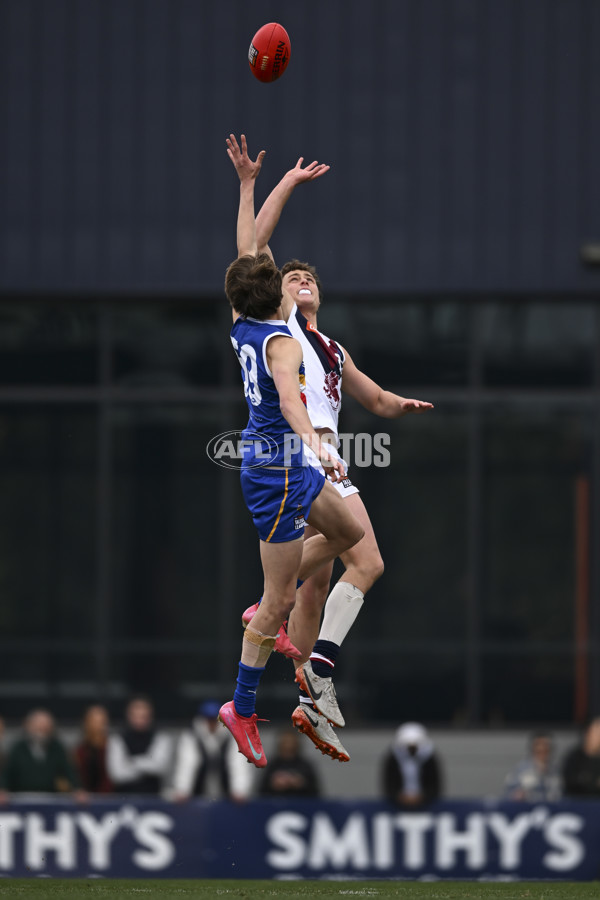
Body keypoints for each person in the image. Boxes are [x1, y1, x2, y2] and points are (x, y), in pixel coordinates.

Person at [241, 154, 433, 761]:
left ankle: (307, 699)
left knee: (315, 584)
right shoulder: (285, 324)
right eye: (290, 277)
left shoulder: (333, 347)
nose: (299, 281)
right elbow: (253, 244)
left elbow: (371, 397)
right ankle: (316, 667)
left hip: (325, 452)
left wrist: (397, 404)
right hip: (304, 452)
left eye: (307, 278)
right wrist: (279, 184)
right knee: (368, 559)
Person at [219, 134, 364, 769]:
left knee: (347, 532)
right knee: (279, 603)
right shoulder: (280, 343)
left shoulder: (242, 317)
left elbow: (250, 245)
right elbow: (288, 404)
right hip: (276, 469)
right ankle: (241, 706)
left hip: (290, 463)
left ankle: (264, 603)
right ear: (276, 293)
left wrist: (259, 184)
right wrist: (320, 450)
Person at [169, 700, 252, 802]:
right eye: (208, 719)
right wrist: (182, 790)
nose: (212, 723)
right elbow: (187, 763)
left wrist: (239, 790)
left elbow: (237, 764)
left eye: (215, 719)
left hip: (225, 791)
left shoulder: (232, 736)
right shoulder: (191, 736)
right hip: (197, 790)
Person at [0, 709, 82, 796]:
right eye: (39, 727)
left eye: (46, 728)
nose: (42, 731)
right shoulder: (18, 748)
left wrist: (77, 789)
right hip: (22, 799)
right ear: (29, 726)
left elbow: (68, 771)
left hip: (50, 799)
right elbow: (7, 773)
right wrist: (2, 789)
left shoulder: (57, 748)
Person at [107, 696, 172, 794]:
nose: (140, 721)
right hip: (123, 799)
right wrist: (148, 764)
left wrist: (132, 762)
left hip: (154, 799)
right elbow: (117, 775)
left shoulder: (161, 737)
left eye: (144, 716)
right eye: (136, 716)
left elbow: (160, 767)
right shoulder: (117, 738)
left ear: (150, 716)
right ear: (129, 716)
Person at [381, 722, 443, 808]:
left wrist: (422, 797)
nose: (411, 750)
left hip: (426, 805)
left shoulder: (429, 758)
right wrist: (399, 797)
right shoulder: (393, 758)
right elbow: (389, 783)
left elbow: (435, 784)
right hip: (396, 806)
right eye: (408, 747)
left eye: (414, 747)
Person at [259, 729, 320, 798]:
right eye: (285, 742)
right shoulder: (272, 765)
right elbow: (261, 793)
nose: (288, 746)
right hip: (276, 803)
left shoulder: (306, 765)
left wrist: (301, 783)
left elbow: (316, 793)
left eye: (291, 742)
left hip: (300, 803)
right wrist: (274, 784)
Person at [503, 731, 561, 802]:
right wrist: (519, 794)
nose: (542, 749)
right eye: (539, 749)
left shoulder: (556, 771)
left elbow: (560, 795)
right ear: (533, 749)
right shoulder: (520, 770)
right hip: (527, 810)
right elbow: (508, 795)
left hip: (552, 810)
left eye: (546, 748)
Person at [73, 704, 114, 794]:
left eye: (102, 722)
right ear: (86, 723)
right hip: (85, 801)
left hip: (109, 799)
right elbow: (76, 778)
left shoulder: (113, 748)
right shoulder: (80, 751)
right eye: (94, 721)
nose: (98, 726)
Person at [562, 717, 600, 798]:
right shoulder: (574, 758)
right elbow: (571, 782)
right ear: (588, 733)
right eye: (597, 733)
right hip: (577, 805)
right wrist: (593, 782)